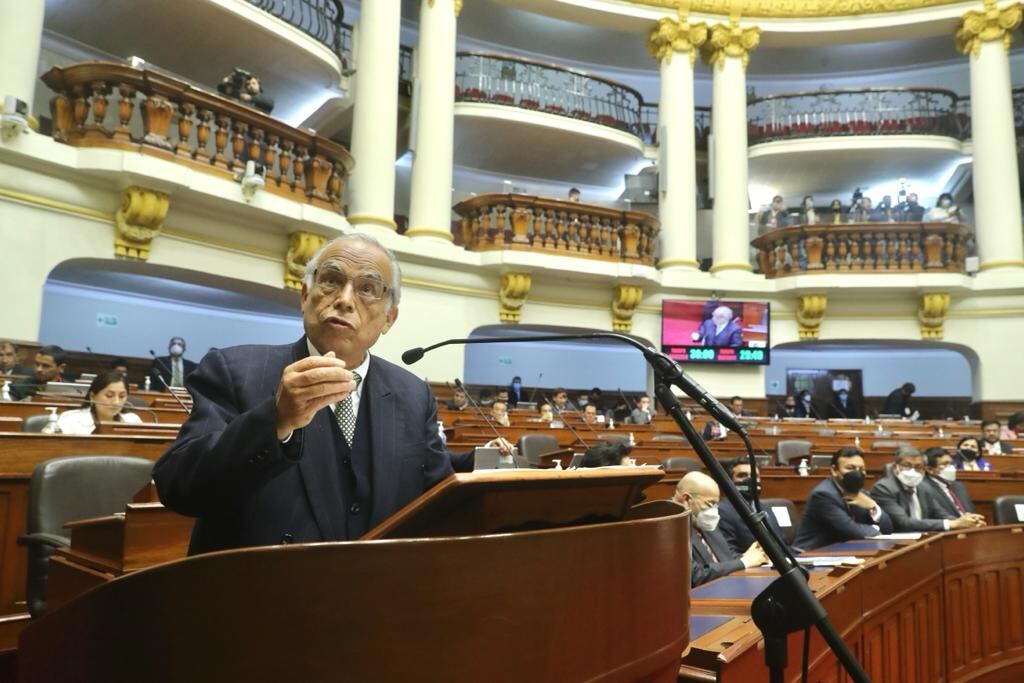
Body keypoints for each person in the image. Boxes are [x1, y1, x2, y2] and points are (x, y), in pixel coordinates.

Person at [153, 233, 454, 555]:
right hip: (264, 590)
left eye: (368, 288)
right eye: (331, 280)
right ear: (305, 295)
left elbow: (441, 503)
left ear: (389, 319)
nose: (345, 299)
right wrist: (275, 420)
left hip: (373, 591)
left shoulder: (413, 394)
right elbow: (180, 487)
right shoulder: (233, 369)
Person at [673, 472, 767, 587]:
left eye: (716, 504)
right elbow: (694, 576)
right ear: (686, 499)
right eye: (710, 504)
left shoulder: (702, 520)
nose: (713, 511)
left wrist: (749, 556)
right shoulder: (668, 528)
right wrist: (744, 562)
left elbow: (726, 557)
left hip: (725, 587)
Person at [793, 447, 893, 550]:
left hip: (845, 552)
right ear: (834, 470)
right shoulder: (823, 495)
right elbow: (853, 531)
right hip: (811, 556)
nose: (857, 473)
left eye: (861, 469)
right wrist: (876, 528)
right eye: (850, 468)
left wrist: (873, 507)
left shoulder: (861, 493)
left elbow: (888, 529)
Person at [869, 447, 983, 532]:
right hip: (896, 543)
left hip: (924, 540)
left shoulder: (924, 487)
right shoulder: (884, 488)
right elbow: (903, 523)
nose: (912, 471)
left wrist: (967, 521)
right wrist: (952, 523)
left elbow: (941, 514)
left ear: (924, 470)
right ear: (895, 468)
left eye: (918, 467)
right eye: (907, 466)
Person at [717, 458, 793, 555]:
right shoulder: (723, 510)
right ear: (730, 481)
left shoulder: (766, 508)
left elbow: (782, 545)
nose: (750, 480)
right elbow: (729, 553)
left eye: (754, 476)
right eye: (743, 475)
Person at [56, 370, 144, 435]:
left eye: (122, 396)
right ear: (92, 396)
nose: (116, 402)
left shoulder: (133, 421)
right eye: (109, 395)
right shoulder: (70, 419)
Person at [920, 447, 982, 520]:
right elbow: (937, 516)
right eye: (945, 464)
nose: (951, 467)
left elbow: (970, 511)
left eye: (951, 463)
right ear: (930, 469)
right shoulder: (925, 489)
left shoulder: (959, 486)